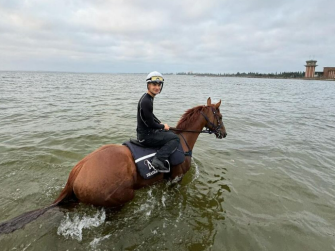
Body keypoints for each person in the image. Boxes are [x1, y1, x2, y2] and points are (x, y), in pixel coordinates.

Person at [137, 71, 180, 173]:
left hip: (145, 132)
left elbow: (150, 116)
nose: (157, 87)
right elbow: (150, 124)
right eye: (154, 85)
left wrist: (160, 122)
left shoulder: (147, 98)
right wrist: (162, 127)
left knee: (169, 133)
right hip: (146, 136)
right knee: (175, 138)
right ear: (148, 85)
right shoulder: (147, 101)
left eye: (159, 85)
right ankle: (158, 160)